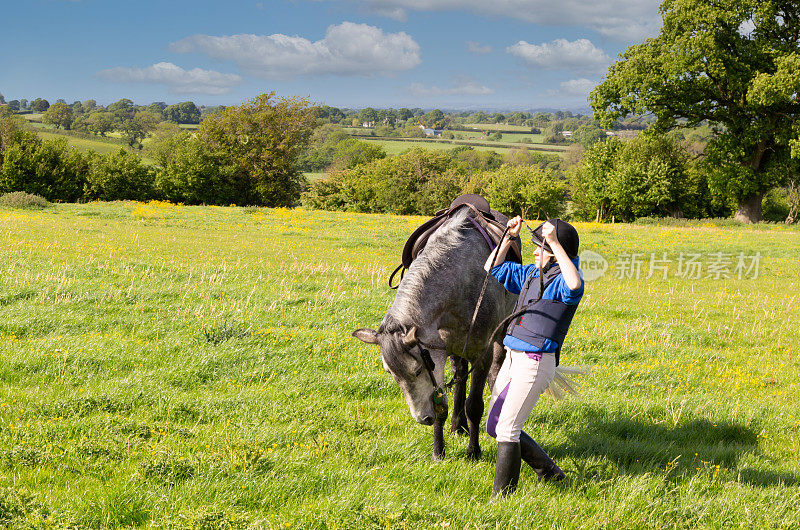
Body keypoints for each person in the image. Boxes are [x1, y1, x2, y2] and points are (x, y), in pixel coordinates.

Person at [482, 216, 584, 497]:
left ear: (554, 253)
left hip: (535, 362)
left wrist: (553, 242)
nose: (535, 251)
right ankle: (549, 471)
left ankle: (503, 499)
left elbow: (574, 283)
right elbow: (491, 267)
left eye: (540, 247)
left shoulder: (566, 285)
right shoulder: (530, 274)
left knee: (507, 429)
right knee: (494, 426)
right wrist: (508, 237)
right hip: (513, 358)